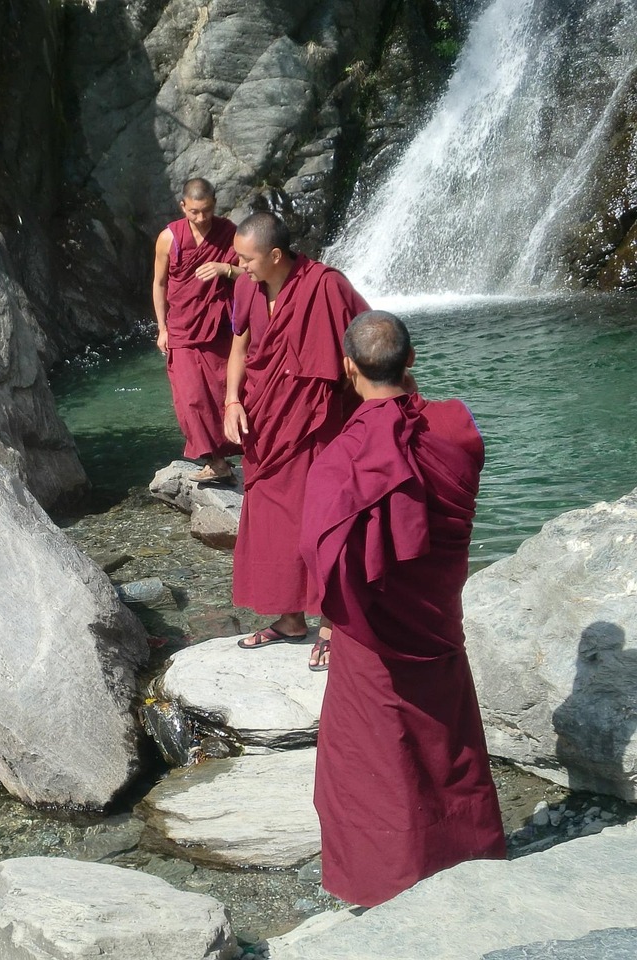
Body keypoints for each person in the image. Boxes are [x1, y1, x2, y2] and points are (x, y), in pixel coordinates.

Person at [300, 311, 507, 907]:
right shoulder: (455, 433)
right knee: (450, 743)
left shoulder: (340, 460)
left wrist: (329, 623)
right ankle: (471, 856)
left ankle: (382, 886)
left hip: (371, 636)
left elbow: (325, 560)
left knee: (369, 758)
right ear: (411, 360)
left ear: (347, 368)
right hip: (436, 619)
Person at [223, 211, 368, 663]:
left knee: (323, 521)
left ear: (276, 255)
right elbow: (240, 348)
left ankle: (332, 621)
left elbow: (367, 346)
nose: (240, 266)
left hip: (319, 425)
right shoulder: (247, 286)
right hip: (266, 425)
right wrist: (231, 401)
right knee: (271, 522)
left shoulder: (327, 286)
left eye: (247, 259)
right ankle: (288, 619)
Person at [152, 178, 243, 484]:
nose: (201, 218)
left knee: (224, 392)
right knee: (190, 398)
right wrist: (162, 327)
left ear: (215, 204)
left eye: (206, 211)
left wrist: (225, 269)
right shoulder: (169, 238)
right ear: (183, 207)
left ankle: (229, 460)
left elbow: (254, 273)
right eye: (194, 212)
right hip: (182, 327)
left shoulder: (229, 233)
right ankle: (214, 461)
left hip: (219, 326)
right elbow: (160, 283)